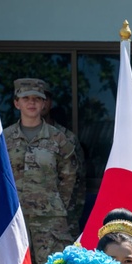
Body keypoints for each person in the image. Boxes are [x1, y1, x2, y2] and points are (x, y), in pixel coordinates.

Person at [0, 78, 78, 264]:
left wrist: (56, 210)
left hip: (50, 223)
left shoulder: (60, 139)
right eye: (26, 98)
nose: (32, 103)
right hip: (12, 223)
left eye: (37, 99)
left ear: (44, 104)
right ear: (16, 103)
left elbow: (70, 182)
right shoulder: (2, 139)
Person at [42, 88, 87, 235]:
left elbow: (79, 180)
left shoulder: (66, 138)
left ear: (50, 102)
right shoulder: (8, 138)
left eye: (44, 98)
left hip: (62, 217)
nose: (39, 104)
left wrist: (72, 215)